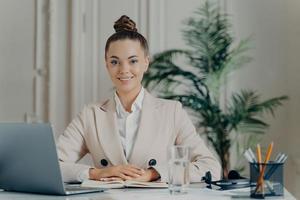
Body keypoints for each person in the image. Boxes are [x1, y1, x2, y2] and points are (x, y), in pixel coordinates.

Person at [57, 15, 221, 183]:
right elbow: (52, 166)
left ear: (146, 63)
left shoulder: (171, 112)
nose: (124, 70)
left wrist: (154, 174)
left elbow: (211, 168)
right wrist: (97, 173)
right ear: (106, 64)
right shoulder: (90, 114)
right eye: (115, 62)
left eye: (133, 61)